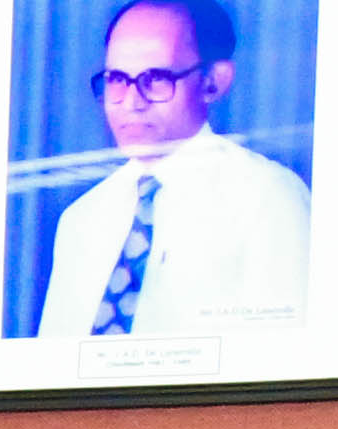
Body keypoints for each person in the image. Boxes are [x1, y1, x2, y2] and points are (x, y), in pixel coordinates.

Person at [33, 0, 314, 334]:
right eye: (117, 79)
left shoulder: (269, 199)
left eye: (156, 78)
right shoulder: (81, 219)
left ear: (213, 82)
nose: (132, 102)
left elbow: (286, 354)